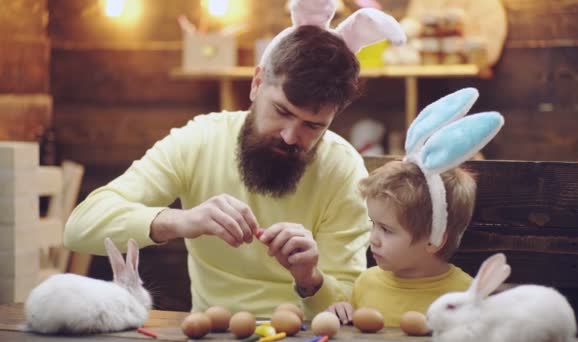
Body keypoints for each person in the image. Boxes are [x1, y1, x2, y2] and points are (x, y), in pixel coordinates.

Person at [64, 25, 369, 319]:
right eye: (282, 112)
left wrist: (309, 279)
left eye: (312, 126)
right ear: (257, 83)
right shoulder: (200, 140)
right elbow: (80, 228)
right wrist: (182, 220)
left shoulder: (343, 169)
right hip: (213, 329)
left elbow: (346, 303)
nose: (290, 136)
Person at [327, 160, 476, 327]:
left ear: (434, 241)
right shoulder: (366, 284)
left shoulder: (466, 295)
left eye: (386, 230)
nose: (373, 239)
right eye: (372, 223)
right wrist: (343, 312)